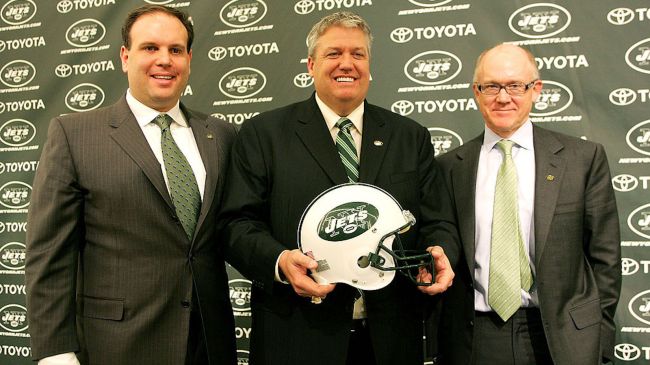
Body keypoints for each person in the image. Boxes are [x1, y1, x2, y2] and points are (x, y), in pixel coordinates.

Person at [218, 11, 459, 365]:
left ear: (369, 65)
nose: (347, 64)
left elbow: (438, 221)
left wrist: (440, 254)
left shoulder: (410, 137)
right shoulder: (264, 135)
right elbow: (236, 225)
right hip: (298, 338)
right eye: (334, 54)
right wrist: (281, 261)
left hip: (389, 339)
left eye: (357, 54)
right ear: (311, 65)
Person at [25, 5, 236, 365]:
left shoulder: (223, 135)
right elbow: (49, 255)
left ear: (188, 58)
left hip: (209, 344)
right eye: (150, 48)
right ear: (125, 57)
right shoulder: (74, 134)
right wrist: (56, 352)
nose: (164, 60)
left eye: (175, 50)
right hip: (118, 346)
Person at [435, 43, 621, 365]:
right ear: (476, 92)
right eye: (491, 86)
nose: (503, 97)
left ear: (536, 90)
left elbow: (606, 258)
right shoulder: (450, 167)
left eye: (515, 86)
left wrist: (600, 339)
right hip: (478, 337)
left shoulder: (582, 159)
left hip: (565, 337)